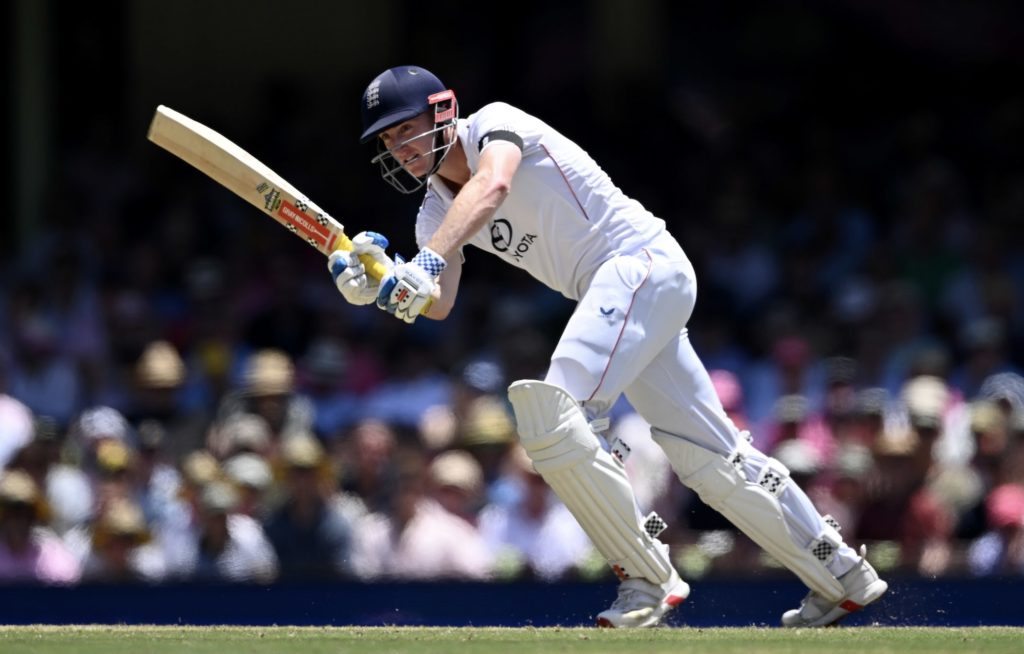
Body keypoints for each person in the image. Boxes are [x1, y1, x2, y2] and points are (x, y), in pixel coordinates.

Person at [327, 65, 887, 628]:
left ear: (443, 110)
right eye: (388, 139)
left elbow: (492, 185)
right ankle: (839, 575)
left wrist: (422, 264)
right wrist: (381, 283)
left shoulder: (494, 124)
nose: (399, 147)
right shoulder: (432, 212)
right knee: (712, 460)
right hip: (627, 292)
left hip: (638, 263)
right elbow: (439, 300)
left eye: (406, 129)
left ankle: (647, 576)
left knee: (556, 414)